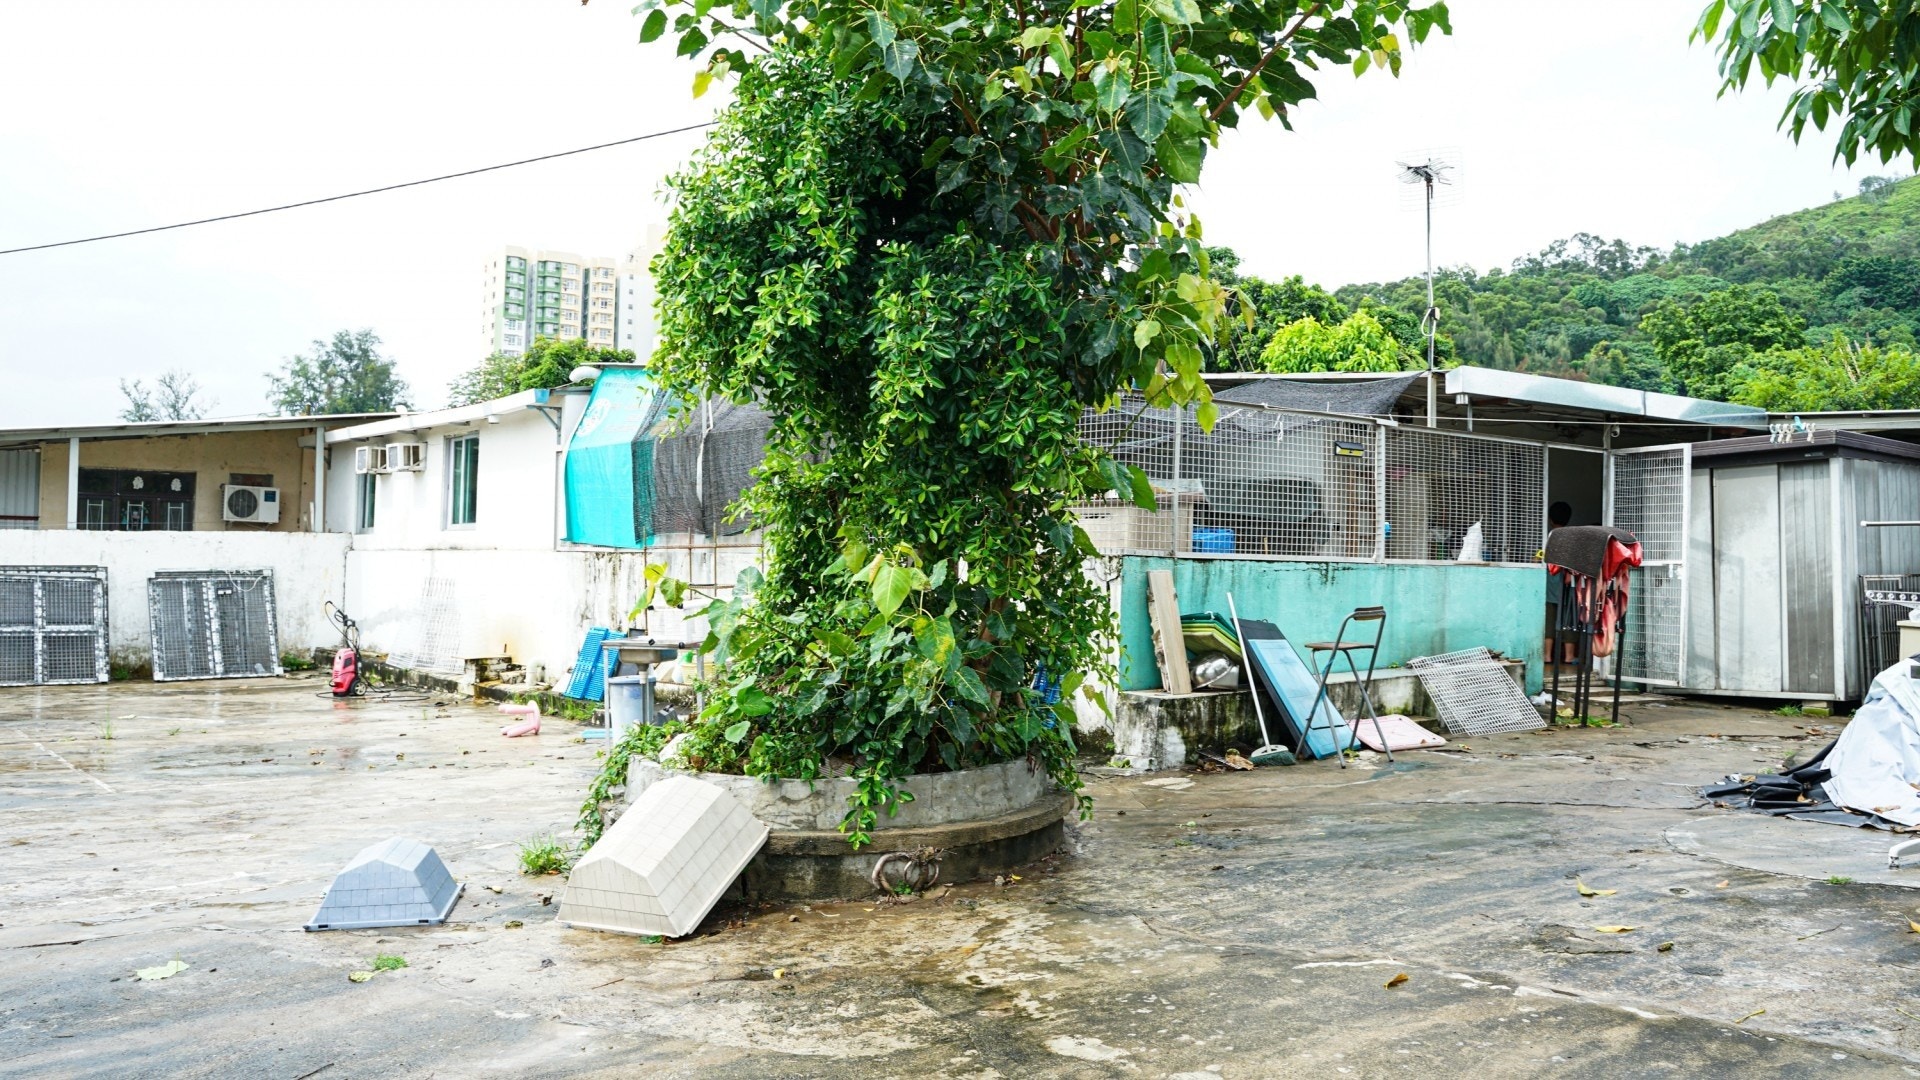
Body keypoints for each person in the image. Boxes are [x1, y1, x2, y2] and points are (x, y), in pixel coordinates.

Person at [1543, 502, 1574, 664]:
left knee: (1550, 617)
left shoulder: (1549, 535)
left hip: (1550, 580)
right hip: (1566, 580)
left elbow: (1545, 558)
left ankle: (1547, 655)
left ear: (1550, 519)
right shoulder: (1571, 536)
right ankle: (1569, 656)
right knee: (1568, 617)